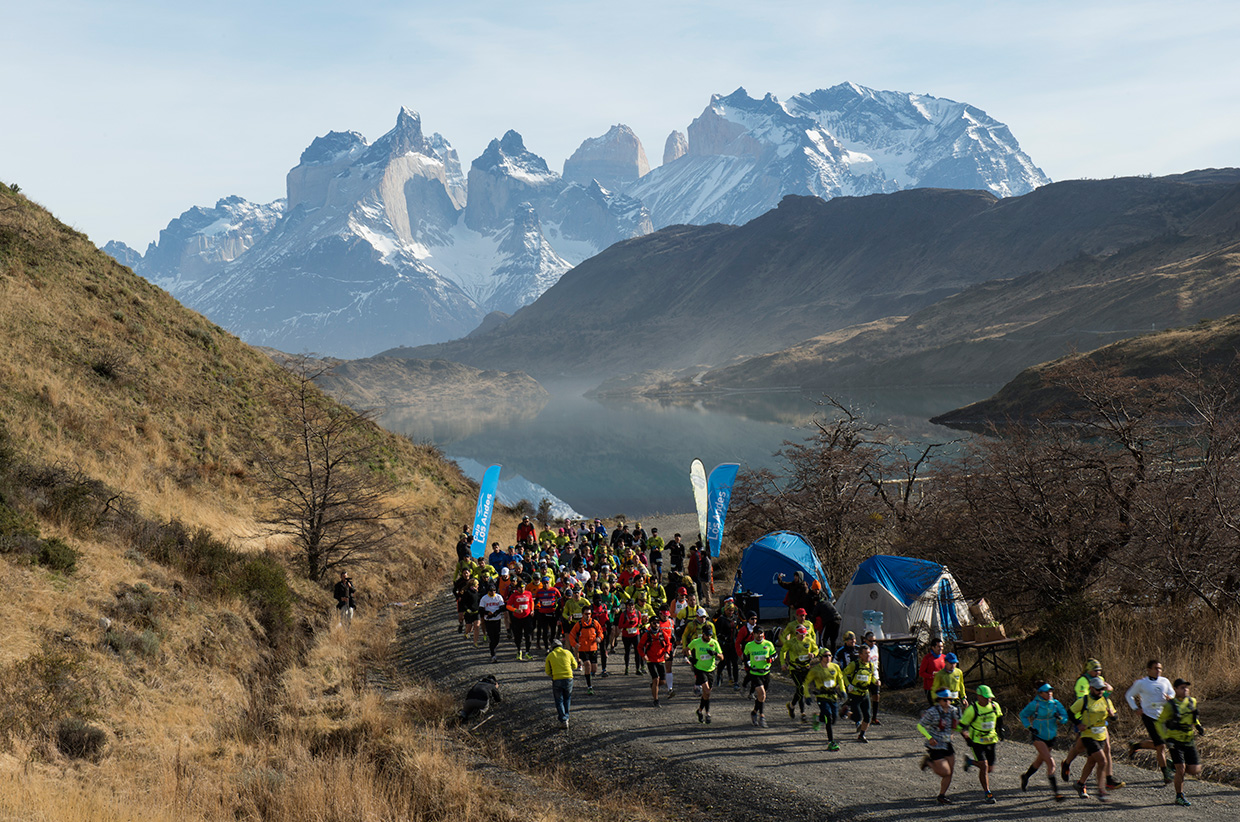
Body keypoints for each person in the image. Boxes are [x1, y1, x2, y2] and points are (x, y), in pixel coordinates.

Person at [1125, 659, 1176, 783]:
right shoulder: (1141, 683)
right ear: (1149, 670)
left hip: (1163, 716)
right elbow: (1129, 695)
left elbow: (1172, 692)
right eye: (1155, 668)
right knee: (1161, 746)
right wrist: (1136, 708)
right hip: (1149, 716)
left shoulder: (1165, 681)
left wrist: (1171, 698)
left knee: (1163, 744)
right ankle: (1166, 774)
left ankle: (1136, 745)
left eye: (1160, 668)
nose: (1158, 671)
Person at [1157, 678, 1205, 807]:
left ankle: (1172, 765)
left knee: (1195, 770)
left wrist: (1198, 726)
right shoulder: (1170, 705)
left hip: (1188, 740)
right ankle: (1179, 796)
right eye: (1182, 688)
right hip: (1174, 741)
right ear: (1176, 690)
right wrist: (1165, 739)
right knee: (1181, 769)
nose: (1185, 690)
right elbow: (1160, 722)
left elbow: (1194, 717)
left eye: (1186, 687)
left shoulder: (1192, 701)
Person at [1069, 675, 1118, 801]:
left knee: (1091, 762)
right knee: (1102, 761)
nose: (1100, 691)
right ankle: (1101, 790)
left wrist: (1112, 716)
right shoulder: (1084, 700)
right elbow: (1070, 712)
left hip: (1100, 735)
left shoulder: (1106, 700)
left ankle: (1080, 784)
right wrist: (1078, 724)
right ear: (1091, 688)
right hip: (1088, 735)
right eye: (1097, 689)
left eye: (1102, 689)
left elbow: (1114, 717)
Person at [1018, 681, 1070, 800]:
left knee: (1039, 761)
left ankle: (1025, 777)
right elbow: (1023, 715)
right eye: (1047, 692)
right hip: (1038, 736)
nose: (1050, 693)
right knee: (1051, 763)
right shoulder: (1035, 704)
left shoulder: (1055, 704)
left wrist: (1060, 718)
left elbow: (1065, 718)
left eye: (1051, 691)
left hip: (1051, 737)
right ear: (1040, 693)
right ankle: (1057, 793)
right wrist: (1029, 727)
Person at [960, 684, 1004, 804]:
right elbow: (961, 726)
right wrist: (966, 736)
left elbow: (999, 719)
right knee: (984, 767)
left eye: (990, 697)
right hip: (977, 741)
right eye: (986, 697)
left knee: (989, 769)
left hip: (991, 740)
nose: (988, 699)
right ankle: (987, 793)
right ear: (979, 696)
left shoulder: (995, 706)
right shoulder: (972, 709)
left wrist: (1001, 731)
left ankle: (970, 762)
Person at [918, 689, 961, 805]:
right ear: (939, 700)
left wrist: (956, 729)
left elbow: (956, 726)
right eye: (945, 700)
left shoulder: (953, 710)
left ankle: (941, 796)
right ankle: (929, 762)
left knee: (950, 772)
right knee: (945, 772)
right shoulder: (932, 712)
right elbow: (920, 726)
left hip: (947, 744)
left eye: (950, 700)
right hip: (935, 746)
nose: (948, 702)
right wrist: (929, 737)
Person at [803, 648, 845, 750]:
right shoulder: (815, 670)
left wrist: (843, 691)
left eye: (830, 655)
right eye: (826, 656)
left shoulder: (835, 667)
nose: (828, 658)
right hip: (821, 697)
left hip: (833, 696)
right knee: (828, 717)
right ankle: (831, 742)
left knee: (834, 718)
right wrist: (807, 696)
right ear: (821, 658)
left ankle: (818, 718)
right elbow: (806, 683)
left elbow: (840, 679)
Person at [686, 622, 724, 723]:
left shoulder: (714, 643)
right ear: (703, 633)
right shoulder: (696, 642)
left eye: (710, 635)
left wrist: (715, 654)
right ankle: (708, 714)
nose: (709, 637)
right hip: (700, 669)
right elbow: (687, 649)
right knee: (706, 690)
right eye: (707, 635)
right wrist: (690, 658)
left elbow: (722, 657)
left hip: (711, 670)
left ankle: (699, 711)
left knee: (707, 694)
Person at [780, 624, 818, 724]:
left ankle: (792, 705)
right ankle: (803, 713)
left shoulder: (809, 640)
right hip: (794, 668)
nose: (803, 636)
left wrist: (813, 654)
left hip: (805, 668)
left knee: (802, 688)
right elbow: (783, 651)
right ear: (796, 634)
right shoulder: (791, 642)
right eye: (801, 634)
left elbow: (816, 649)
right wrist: (783, 663)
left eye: (804, 634)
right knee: (801, 687)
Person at [843, 645, 879, 743]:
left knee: (867, 716)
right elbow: (844, 674)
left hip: (865, 693)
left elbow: (871, 677)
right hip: (855, 694)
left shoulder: (871, 666)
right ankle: (845, 712)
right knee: (857, 717)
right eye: (865, 653)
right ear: (860, 655)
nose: (868, 655)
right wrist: (848, 685)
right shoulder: (854, 665)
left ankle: (862, 735)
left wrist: (876, 681)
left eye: (869, 653)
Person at [742, 625, 776, 727]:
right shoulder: (749, 645)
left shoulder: (768, 644)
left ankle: (754, 712)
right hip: (755, 673)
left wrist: (771, 659)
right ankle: (762, 716)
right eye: (757, 633)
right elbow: (745, 655)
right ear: (754, 634)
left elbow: (774, 654)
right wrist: (747, 664)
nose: (759, 635)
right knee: (762, 694)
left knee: (762, 697)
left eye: (761, 633)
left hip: (765, 673)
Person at [566, 605, 604, 695]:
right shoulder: (579, 624)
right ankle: (589, 686)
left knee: (594, 669)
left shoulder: (595, 623)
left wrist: (599, 638)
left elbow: (601, 632)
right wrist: (575, 644)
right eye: (586, 614)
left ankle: (588, 675)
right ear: (582, 614)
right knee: (587, 664)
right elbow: (571, 635)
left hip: (593, 648)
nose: (588, 616)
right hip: (583, 649)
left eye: (590, 614)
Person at [638, 614, 674, 707]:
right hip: (651, 660)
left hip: (661, 660)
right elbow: (640, 647)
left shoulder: (663, 634)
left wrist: (667, 653)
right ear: (651, 624)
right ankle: (656, 700)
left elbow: (669, 644)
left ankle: (653, 686)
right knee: (656, 679)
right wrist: (643, 655)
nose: (656, 625)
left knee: (662, 682)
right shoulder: (647, 635)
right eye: (654, 623)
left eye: (658, 623)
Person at [544, 639, 578, 729]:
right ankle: (566, 717)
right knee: (567, 698)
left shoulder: (550, 656)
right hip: (568, 678)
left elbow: (547, 671)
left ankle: (563, 719)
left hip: (557, 679)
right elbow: (575, 665)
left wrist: (553, 675)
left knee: (559, 700)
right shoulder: (568, 653)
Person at [506, 579, 535, 660]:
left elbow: (531, 602)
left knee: (528, 636)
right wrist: (515, 610)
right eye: (520, 588)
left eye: (523, 587)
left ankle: (527, 652)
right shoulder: (514, 595)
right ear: (517, 588)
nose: (522, 589)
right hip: (517, 618)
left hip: (527, 617)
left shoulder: (528, 593)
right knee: (518, 637)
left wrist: (532, 610)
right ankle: (519, 650)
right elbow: (508, 606)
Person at [479, 583, 506, 662]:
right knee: (492, 638)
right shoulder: (484, 598)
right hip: (488, 620)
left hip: (497, 620)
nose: (493, 592)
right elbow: (481, 609)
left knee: (497, 638)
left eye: (494, 590)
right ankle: (493, 655)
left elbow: (502, 607)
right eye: (491, 591)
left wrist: (496, 613)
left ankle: (493, 649)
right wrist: (487, 613)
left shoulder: (498, 597)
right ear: (488, 591)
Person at [616, 599, 643, 675]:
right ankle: (627, 668)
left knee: (637, 652)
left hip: (636, 634)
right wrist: (628, 624)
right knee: (627, 652)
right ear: (627, 606)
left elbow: (640, 622)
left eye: (632, 605)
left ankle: (638, 668)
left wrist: (639, 625)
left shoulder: (638, 613)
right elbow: (620, 625)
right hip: (626, 635)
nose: (631, 607)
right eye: (629, 605)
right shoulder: (624, 614)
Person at [862, 631, 884, 725]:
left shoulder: (875, 648)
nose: (872, 643)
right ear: (865, 640)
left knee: (876, 696)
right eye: (870, 641)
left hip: (874, 675)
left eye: (874, 641)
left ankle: (874, 718)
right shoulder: (862, 649)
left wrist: (878, 676)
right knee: (862, 697)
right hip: (865, 675)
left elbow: (877, 662)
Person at [919, 637, 946, 705]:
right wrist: (932, 676)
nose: (941, 649)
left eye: (942, 647)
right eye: (938, 647)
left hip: (943, 687)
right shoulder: (927, 658)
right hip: (931, 688)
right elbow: (921, 673)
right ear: (933, 647)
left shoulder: (944, 657)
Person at [459, 576, 482, 647]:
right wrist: (466, 610)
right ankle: (466, 633)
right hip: (469, 613)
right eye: (477, 585)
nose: (478, 586)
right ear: (473, 585)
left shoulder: (477, 593)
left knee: (477, 626)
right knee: (469, 628)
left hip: (476, 612)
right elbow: (463, 603)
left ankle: (475, 642)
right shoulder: (467, 592)